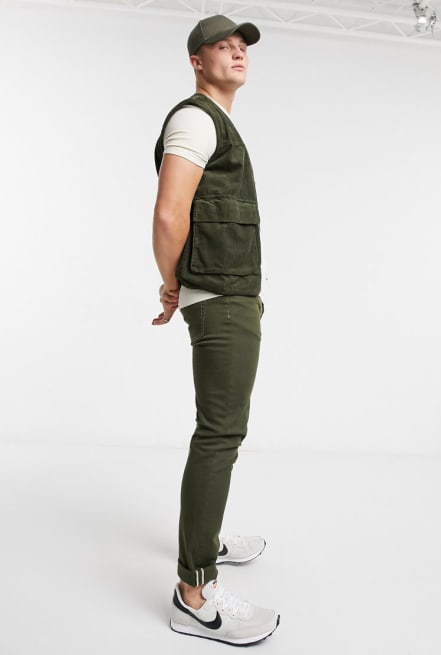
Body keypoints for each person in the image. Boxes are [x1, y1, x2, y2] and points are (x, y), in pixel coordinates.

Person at [151, 14, 279, 647]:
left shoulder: (216, 122)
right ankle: (194, 592)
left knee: (220, 431)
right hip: (220, 297)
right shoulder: (196, 119)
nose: (237, 53)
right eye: (222, 46)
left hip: (228, 293)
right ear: (196, 61)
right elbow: (169, 213)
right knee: (220, 433)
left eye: (241, 46)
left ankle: (208, 537)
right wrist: (172, 283)